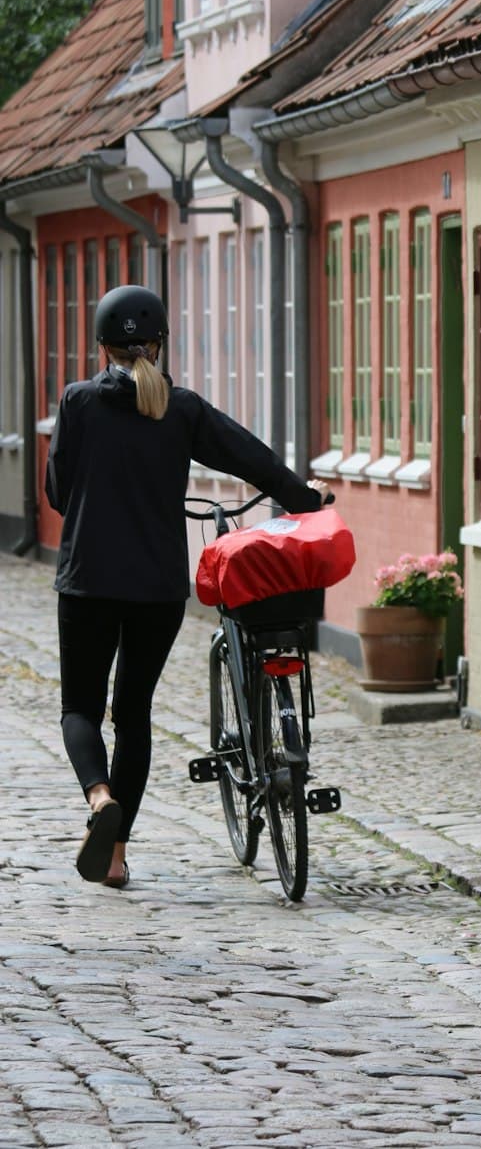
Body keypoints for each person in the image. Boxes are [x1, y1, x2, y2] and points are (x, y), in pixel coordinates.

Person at [45, 284, 326, 890]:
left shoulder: (78, 403)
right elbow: (248, 456)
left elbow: (57, 495)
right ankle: (116, 856)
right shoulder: (181, 407)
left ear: (101, 347)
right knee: (135, 714)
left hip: (88, 581)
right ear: (159, 343)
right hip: (156, 588)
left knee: (80, 708)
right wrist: (302, 498)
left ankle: (98, 799)